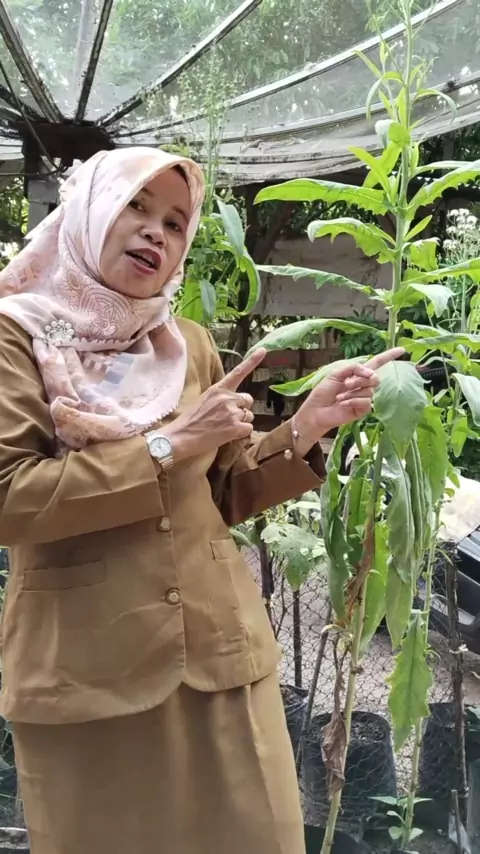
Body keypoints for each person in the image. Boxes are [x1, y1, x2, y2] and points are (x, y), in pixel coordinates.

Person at [0, 146, 402, 854]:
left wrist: (305, 427)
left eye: (175, 222)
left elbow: (219, 489)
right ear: (89, 212)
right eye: (135, 206)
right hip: (86, 670)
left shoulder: (185, 342)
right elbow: (11, 497)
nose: (155, 231)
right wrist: (167, 445)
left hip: (221, 659)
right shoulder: (16, 335)